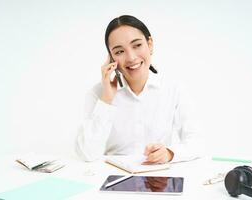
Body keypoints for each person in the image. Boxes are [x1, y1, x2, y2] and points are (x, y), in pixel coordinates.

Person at [75, 15, 203, 164]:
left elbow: (197, 142)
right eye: (119, 52)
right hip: (113, 177)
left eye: (137, 45)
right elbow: (87, 154)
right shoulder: (98, 93)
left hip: (158, 178)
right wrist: (107, 100)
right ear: (111, 58)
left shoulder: (174, 88)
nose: (131, 57)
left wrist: (169, 154)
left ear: (150, 44)